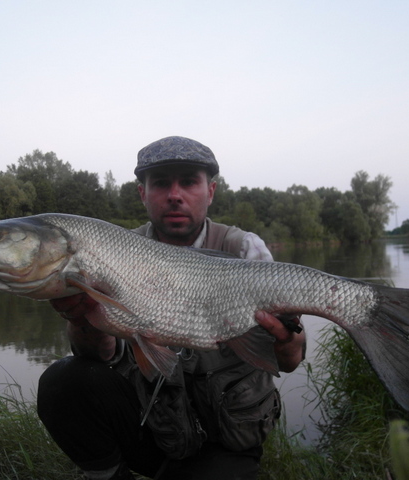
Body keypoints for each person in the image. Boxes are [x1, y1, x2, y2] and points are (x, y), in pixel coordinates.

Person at [37, 136, 307, 480]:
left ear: (210, 191)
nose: (174, 195)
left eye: (189, 182)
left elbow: (290, 361)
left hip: (228, 439)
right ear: (142, 193)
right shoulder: (113, 251)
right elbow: (101, 356)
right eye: (162, 183)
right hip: (155, 428)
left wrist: (286, 339)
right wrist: (80, 317)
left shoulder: (243, 250)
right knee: (63, 380)